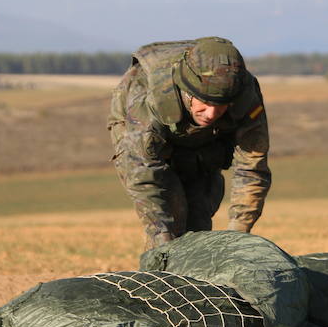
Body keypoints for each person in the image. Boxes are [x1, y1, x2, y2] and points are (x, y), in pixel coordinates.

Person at [107, 36, 271, 249]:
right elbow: (143, 175)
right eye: (205, 102)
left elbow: (252, 167)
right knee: (170, 223)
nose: (212, 113)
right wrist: (161, 239)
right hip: (142, 139)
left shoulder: (245, 96)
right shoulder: (149, 100)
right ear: (187, 92)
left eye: (222, 105)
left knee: (199, 217)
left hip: (204, 144)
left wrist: (238, 233)